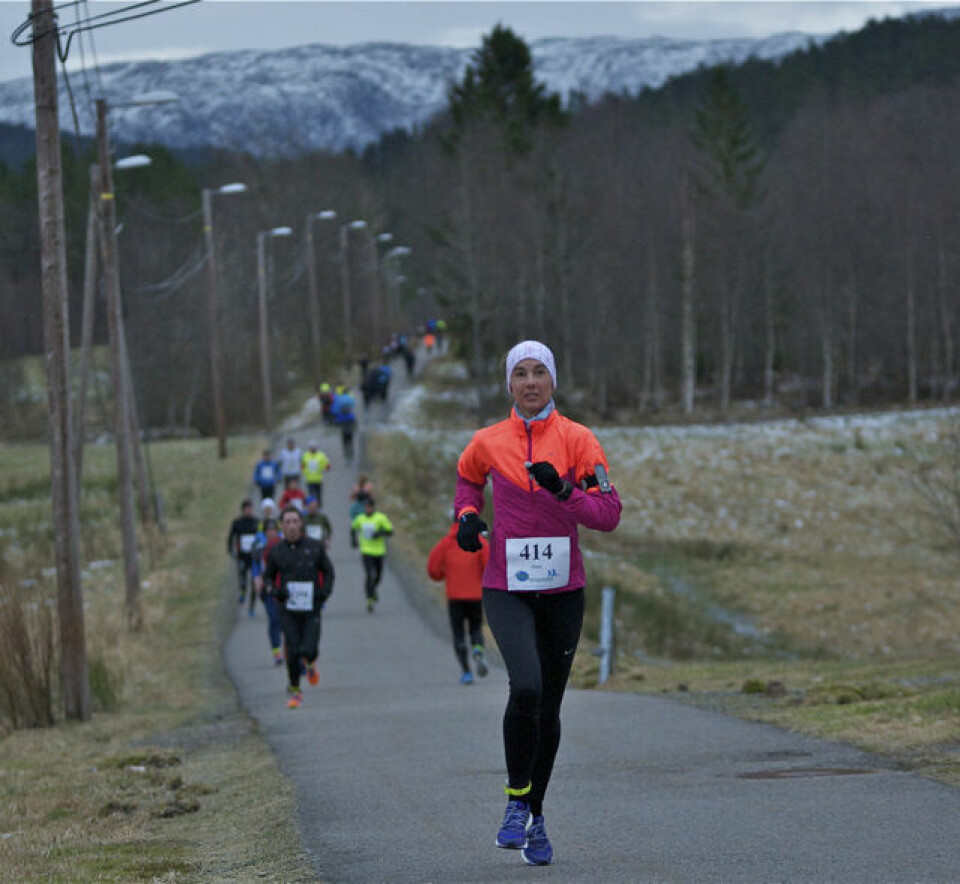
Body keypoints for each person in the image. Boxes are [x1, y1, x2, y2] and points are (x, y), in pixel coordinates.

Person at [454, 339, 621, 866]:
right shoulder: (487, 441)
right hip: (507, 587)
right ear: (509, 384)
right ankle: (514, 802)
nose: (530, 382)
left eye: (539, 373)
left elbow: (608, 513)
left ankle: (535, 815)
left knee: (548, 706)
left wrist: (564, 493)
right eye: (520, 373)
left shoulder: (577, 440)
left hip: (563, 591)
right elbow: (466, 482)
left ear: (553, 381)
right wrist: (466, 519)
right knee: (525, 684)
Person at [263, 506, 336, 709]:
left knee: (310, 649)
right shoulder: (276, 551)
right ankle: (295, 690)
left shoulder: (314, 547)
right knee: (293, 650)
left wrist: (324, 593)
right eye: (288, 522)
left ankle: (311, 662)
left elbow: (329, 571)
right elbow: (268, 577)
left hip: (311, 608)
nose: (292, 526)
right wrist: (275, 591)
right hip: (288, 609)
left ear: (301, 524)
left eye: (295, 521)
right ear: (281, 526)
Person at [427, 513, 490, 684]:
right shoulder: (480, 542)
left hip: (455, 596)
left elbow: (433, 568)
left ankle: (466, 672)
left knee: (458, 634)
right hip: (475, 595)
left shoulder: (446, 543)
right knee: (476, 628)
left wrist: (442, 575)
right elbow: (489, 566)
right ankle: (477, 648)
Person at [350, 497, 394, 613]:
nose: (367, 509)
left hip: (379, 551)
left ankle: (373, 589)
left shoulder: (380, 518)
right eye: (366, 507)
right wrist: (353, 540)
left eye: (369, 507)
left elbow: (390, 531)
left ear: (373, 507)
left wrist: (379, 533)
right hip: (366, 551)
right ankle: (369, 600)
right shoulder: (360, 519)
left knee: (378, 576)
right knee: (369, 575)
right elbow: (353, 528)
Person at [251, 518, 285, 666]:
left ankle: (288, 648)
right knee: (274, 619)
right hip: (267, 587)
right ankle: (276, 651)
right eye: (268, 530)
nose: (271, 532)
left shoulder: (284, 545)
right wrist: (257, 579)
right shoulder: (260, 547)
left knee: (285, 620)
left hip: (283, 587)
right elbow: (255, 565)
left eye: (273, 529)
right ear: (264, 532)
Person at [226, 499, 260, 614]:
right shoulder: (237, 523)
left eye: (250, 508)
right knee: (242, 578)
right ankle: (243, 592)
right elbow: (231, 537)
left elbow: (262, 538)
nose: (249, 511)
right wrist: (231, 550)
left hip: (255, 557)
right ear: (243, 510)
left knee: (255, 582)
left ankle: (251, 607)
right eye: (247, 509)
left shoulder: (257, 522)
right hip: (242, 556)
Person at [301, 441, 331, 506]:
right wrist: (305, 472)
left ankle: (319, 507)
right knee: (311, 495)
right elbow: (302, 465)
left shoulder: (321, 455)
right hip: (309, 479)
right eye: (311, 447)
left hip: (318, 479)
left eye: (314, 447)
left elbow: (327, 464)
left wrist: (326, 468)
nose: (312, 449)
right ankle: (311, 506)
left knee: (318, 495)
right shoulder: (305, 455)